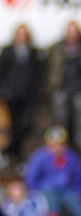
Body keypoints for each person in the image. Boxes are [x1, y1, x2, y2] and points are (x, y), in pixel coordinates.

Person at [24, 126, 81, 216]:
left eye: (60, 144)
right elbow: (32, 176)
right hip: (47, 189)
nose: (57, 147)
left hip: (66, 189)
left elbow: (77, 176)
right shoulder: (40, 156)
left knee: (75, 203)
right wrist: (33, 191)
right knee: (52, 204)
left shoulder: (70, 156)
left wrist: (78, 191)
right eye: (54, 144)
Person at [46, 20, 81, 151]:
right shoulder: (57, 48)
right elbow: (51, 67)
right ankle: (60, 148)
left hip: (79, 89)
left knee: (79, 124)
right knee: (60, 121)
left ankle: (76, 150)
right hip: (61, 88)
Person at [0, 23, 44, 165]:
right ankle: (10, 154)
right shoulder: (8, 52)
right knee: (11, 126)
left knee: (26, 125)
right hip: (11, 95)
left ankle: (16, 153)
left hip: (28, 97)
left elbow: (39, 74)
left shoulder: (34, 53)